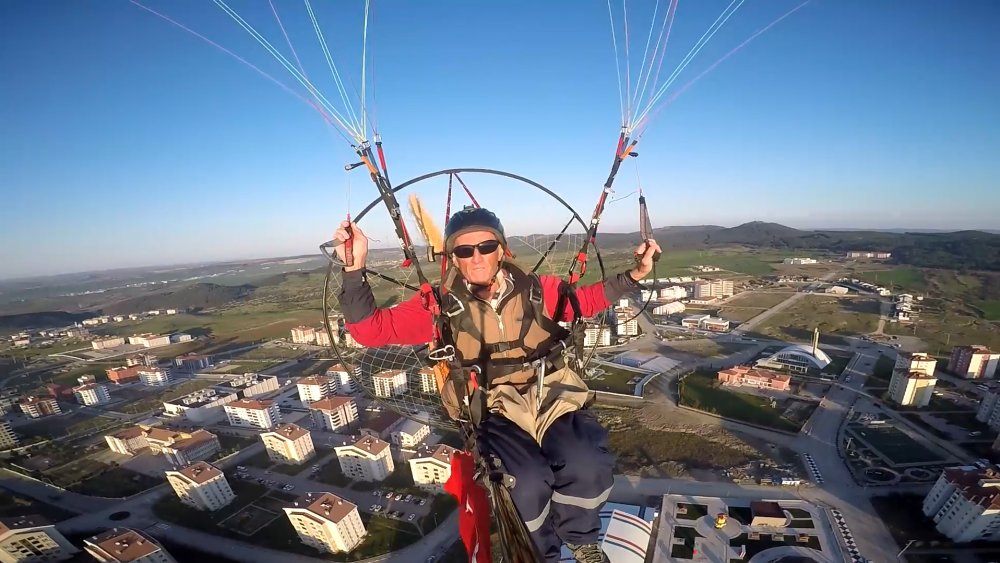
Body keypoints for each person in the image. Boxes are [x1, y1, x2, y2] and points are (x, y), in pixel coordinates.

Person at [334, 207, 661, 563]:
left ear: (502, 250)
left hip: (552, 393)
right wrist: (354, 268)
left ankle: (582, 541)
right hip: (492, 406)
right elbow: (369, 330)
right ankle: (539, 556)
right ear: (453, 257)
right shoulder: (438, 308)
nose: (476, 257)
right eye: (464, 250)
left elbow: (585, 300)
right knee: (523, 481)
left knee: (586, 461)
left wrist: (635, 274)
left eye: (486, 246)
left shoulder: (538, 290)